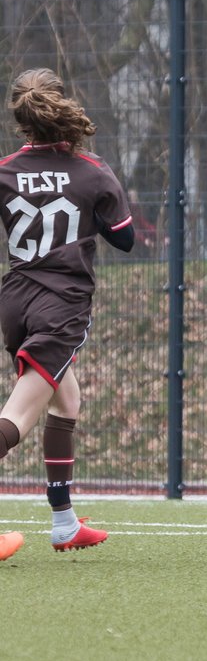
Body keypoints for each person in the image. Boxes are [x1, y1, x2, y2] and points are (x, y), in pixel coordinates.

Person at [0, 68, 135, 552]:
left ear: (21, 118)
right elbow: (125, 239)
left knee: (67, 402)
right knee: (18, 414)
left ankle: (65, 523)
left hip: (16, 300)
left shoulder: (5, 168)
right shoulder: (92, 170)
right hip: (62, 303)